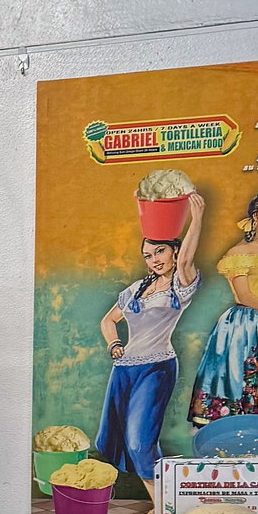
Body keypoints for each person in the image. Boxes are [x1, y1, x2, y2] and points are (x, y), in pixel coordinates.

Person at [94, 189, 203, 481]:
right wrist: (114, 343)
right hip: (124, 370)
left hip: (157, 367)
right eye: (148, 255)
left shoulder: (179, 286)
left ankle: (164, 508)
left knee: (139, 442)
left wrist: (197, 217)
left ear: (175, 251)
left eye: (160, 251)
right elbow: (108, 321)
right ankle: (160, 506)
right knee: (120, 441)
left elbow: (185, 261)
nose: (154, 259)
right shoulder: (135, 289)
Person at [189, 187, 258, 424]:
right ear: (255, 215)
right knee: (242, 377)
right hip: (246, 324)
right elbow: (244, 295)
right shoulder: (240, 253)